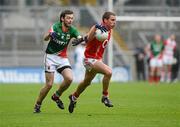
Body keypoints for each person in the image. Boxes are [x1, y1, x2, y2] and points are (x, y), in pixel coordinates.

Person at [34, 10, 82, 113]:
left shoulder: (72, 30)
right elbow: (45, 38)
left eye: (72, 18)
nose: (70, 20)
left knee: (69, 79)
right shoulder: (55, 27)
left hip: (62, 58)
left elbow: (79, 37)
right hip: (50, 57)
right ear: (62, 18)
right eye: (68, 18)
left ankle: (56, 96)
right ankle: (38, 105)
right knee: (49, 84)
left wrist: (79, 40)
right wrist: (50, 35)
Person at [68, 11, 116, 113]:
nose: (114, 22)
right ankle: (105, 96)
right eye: (112, 20)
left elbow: (89, 36)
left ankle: (74, 97)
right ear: (105, 20)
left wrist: (82, 39)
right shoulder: (98, 28)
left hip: (97, 59)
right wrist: (82, 39)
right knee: (109, 72)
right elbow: (89, 38)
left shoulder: (109, 30)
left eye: (115, 20)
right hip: (89, 59)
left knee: (86, 82)